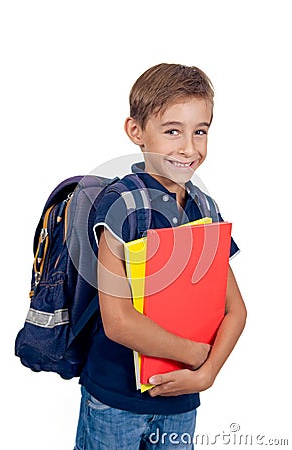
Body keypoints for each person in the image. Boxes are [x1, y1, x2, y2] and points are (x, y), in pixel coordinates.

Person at [73, 63, 247, 450]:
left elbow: (236, 310)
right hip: (115, 400)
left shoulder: (205, 208)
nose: (189, 148)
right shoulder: (121, 205)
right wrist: (197, 355)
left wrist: (206, 375)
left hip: (181, 400)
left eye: (200, 132)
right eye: (172, 131)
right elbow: (118, 322)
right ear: (136, 131)